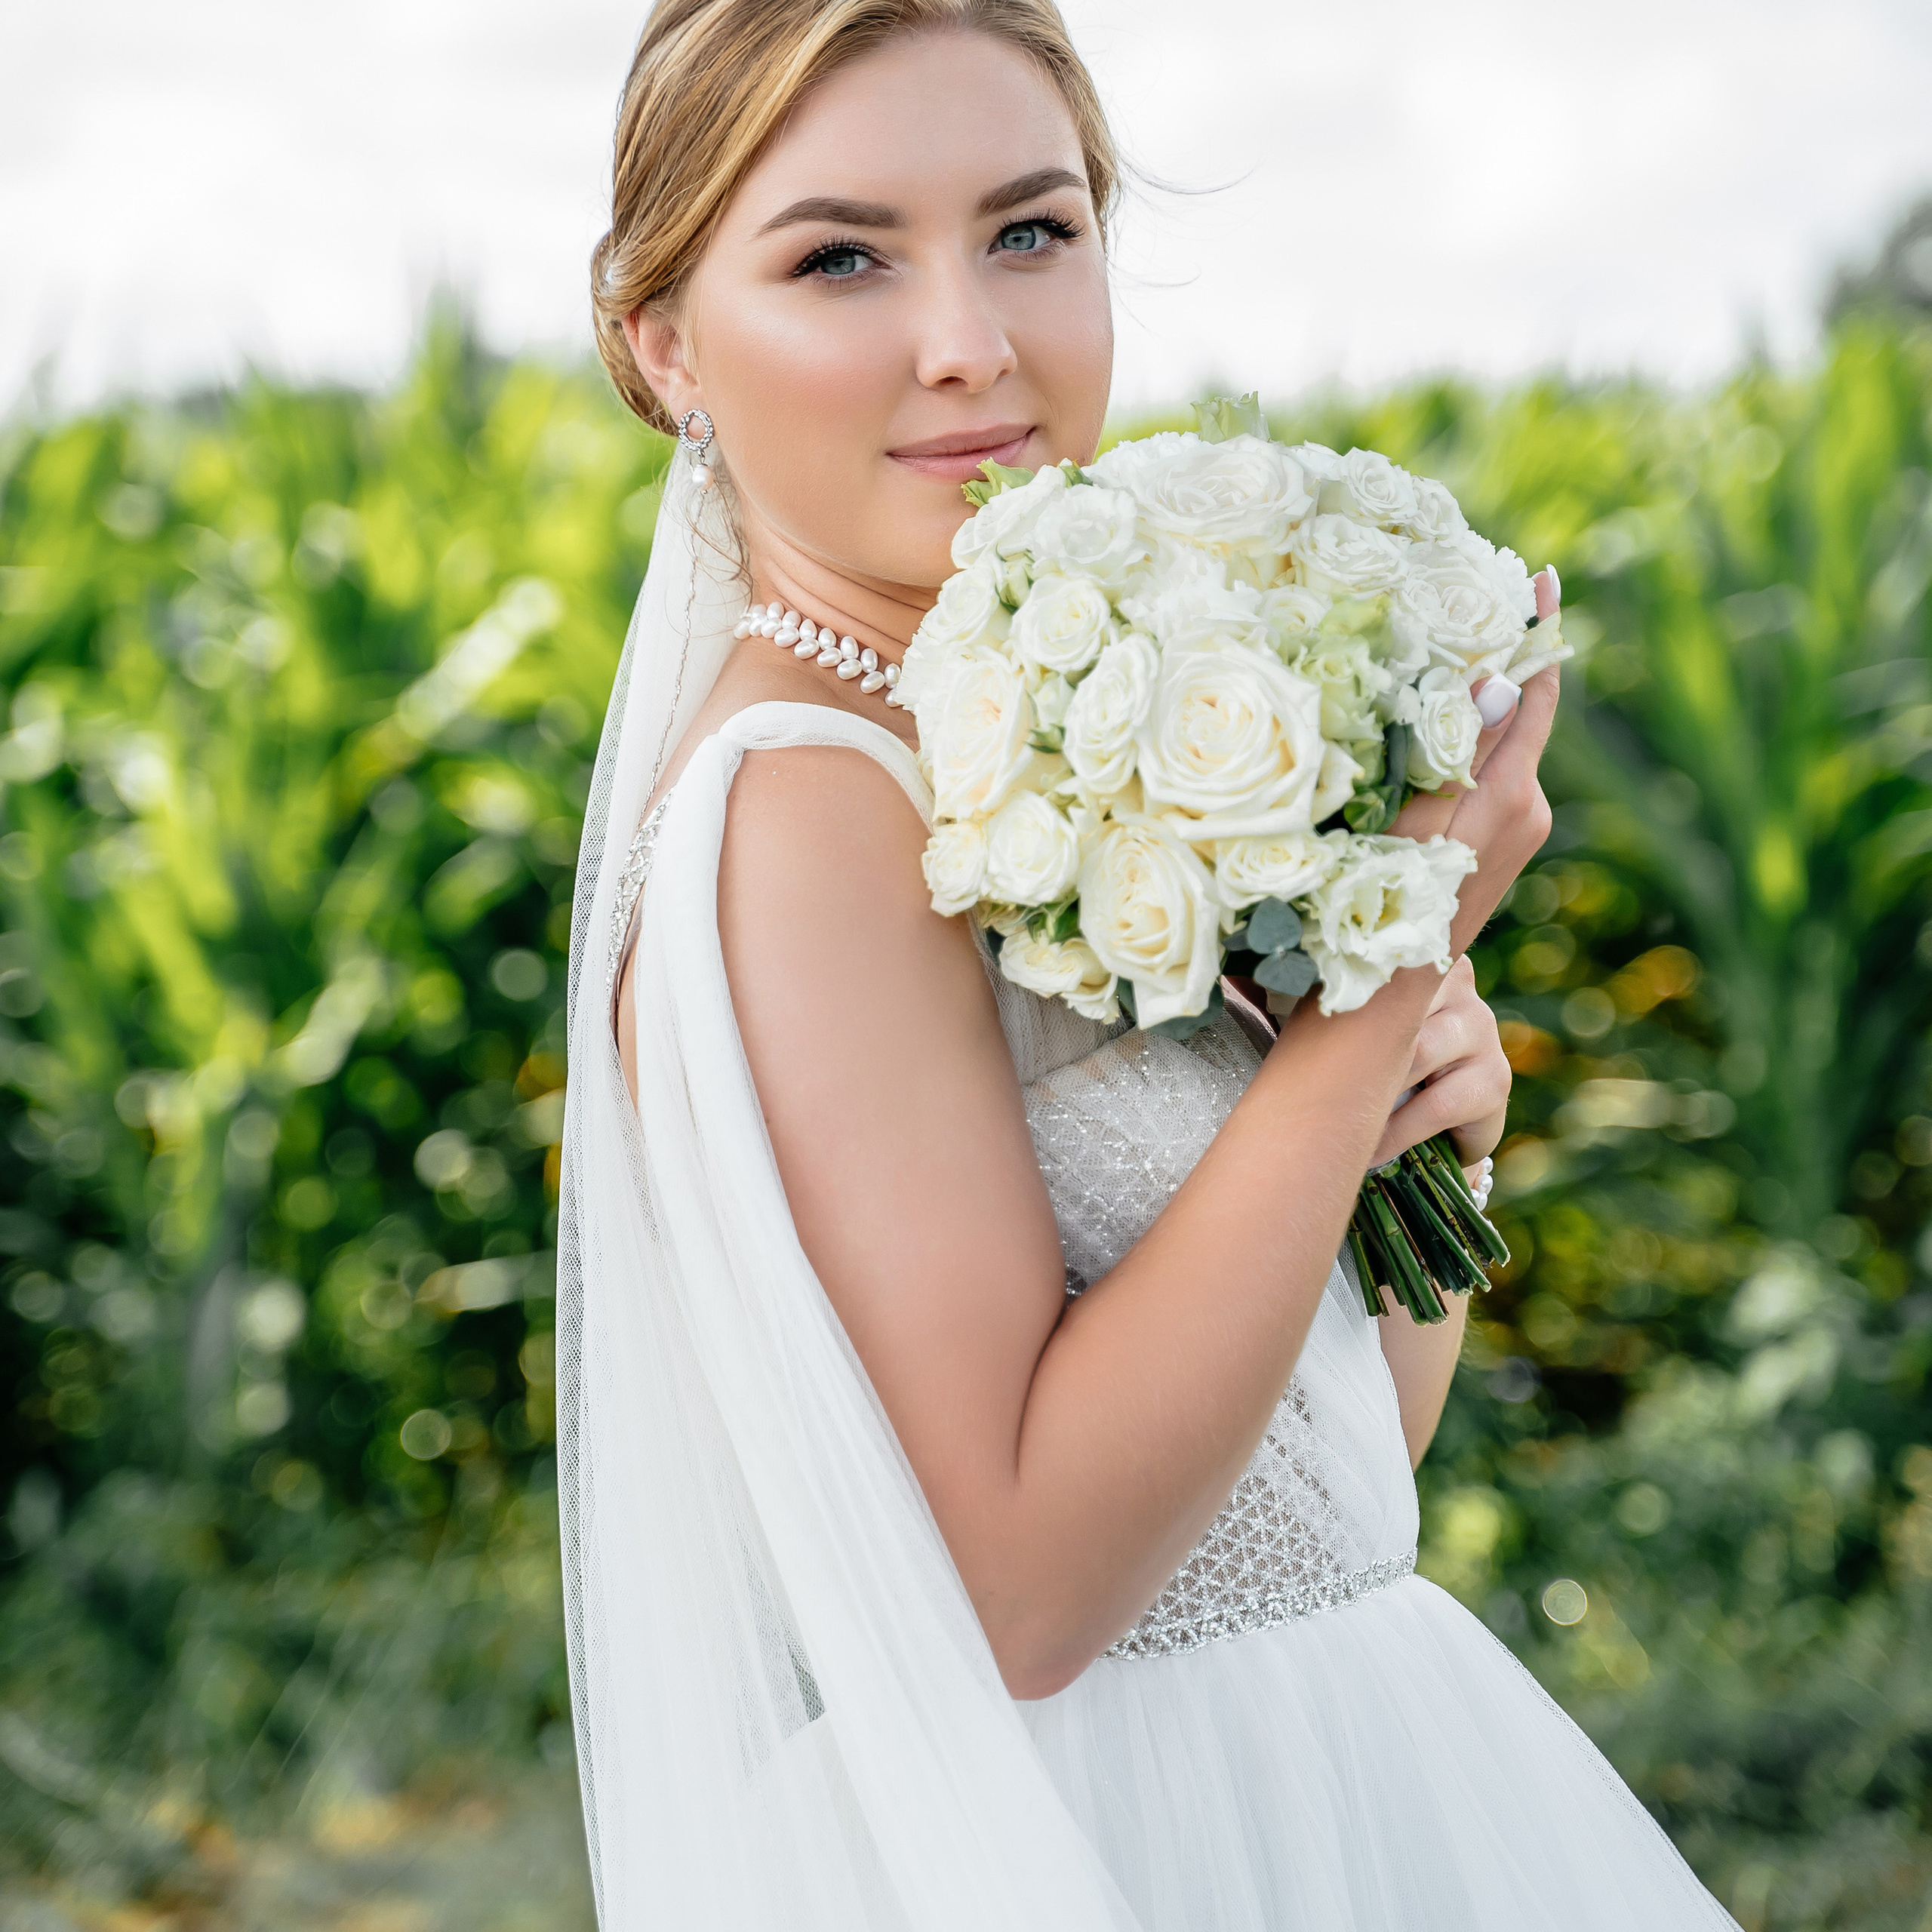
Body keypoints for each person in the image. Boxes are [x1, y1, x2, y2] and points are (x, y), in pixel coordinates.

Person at [558, 2, 1737, 1925]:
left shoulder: (1039, 730)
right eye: (840, 256)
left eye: (1029, 231)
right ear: (663, 340)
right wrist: (1364, 1002)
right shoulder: (808, 814)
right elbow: (1026, 1588)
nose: (969, 341)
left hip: (1336, 1758)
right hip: (1103, 1838)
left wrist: (1426, 1105)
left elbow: (1316, 1485)